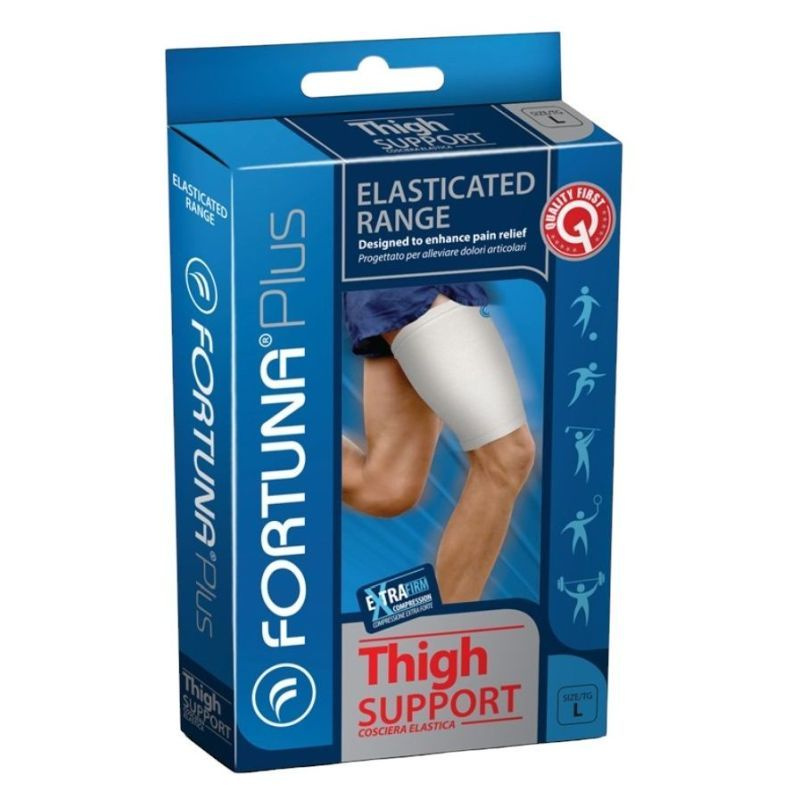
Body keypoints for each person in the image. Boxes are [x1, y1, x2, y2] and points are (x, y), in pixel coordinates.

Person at [342, 284, 535, 604]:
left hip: (402, 282)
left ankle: (265, 448)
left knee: (387, 487)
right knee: (507, 456)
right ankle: (447, 627)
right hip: (417, 283)